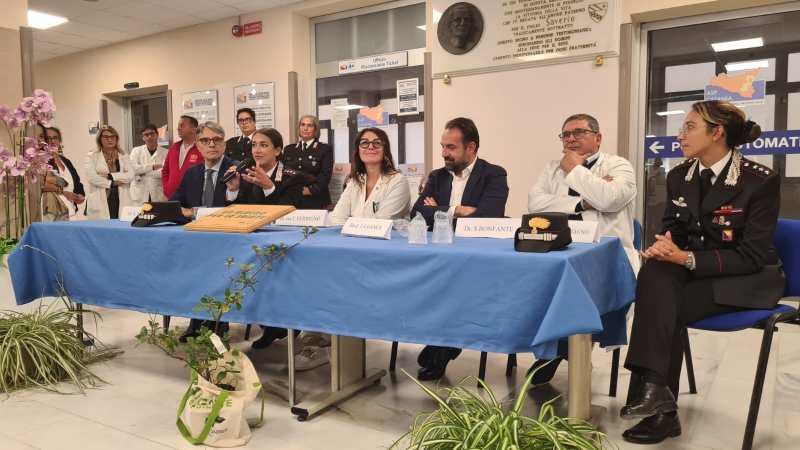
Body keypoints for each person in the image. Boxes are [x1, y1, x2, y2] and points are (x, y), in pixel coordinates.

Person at [621, 100, 784, 444]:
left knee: (666, 303)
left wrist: (685, 258)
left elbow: (751, 256)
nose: (680, 135)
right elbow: (674, 229)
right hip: (696, 270)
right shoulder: (680, 175)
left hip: (746, 278)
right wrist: (665, 245)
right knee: (654, 274)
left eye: (689, 127)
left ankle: (658, 405)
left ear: (717, 133)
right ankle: (657, 395)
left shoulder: (759, 181)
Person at [526, 113, 638, 383]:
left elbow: (609, 199)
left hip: (607, 259)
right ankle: (557, 349)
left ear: (598, 138)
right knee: (537, 289)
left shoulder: (619, 165)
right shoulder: (552, 168)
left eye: (579, 132)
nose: (571, 139)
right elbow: (536, 204)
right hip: (560, 253)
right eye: (565, 134)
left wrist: (576, 170)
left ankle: (565, 351)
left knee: (579, 293)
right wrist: (582, 203)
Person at [410, 117, 509, 381]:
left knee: (458, 285)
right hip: (440, 254)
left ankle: (444, 344)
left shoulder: (494, 174)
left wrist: (439, 210)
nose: (444, 153)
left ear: (471, 147)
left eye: (451, 147)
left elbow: (489, 216)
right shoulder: (437, 176)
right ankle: (443, 340)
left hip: (475, 255)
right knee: (422, 283)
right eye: (443, 146)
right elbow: (417, 213)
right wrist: (458, 210)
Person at [223, 127, 306, 350]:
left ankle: (279, 325)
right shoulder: (248, 174)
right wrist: (233, 190)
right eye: (254, 145)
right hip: (251, 243)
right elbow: (237, 212)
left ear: (277, 150)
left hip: (284, 245)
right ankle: (266, 324)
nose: (257, 150)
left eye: (264, 145)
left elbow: (290, 211)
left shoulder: (293, 176)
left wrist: (269, 187)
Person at [170, 121, 236, 342]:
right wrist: (186, 211)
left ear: (224, 144)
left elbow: (241, 207)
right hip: (196, 239)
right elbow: (175, 203)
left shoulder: (235, 170)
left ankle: (219, 324)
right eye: (205, 140)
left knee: (218, 280)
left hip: (227, 240)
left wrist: (194, 211)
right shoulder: (192, 173)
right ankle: (197, 323)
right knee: (193, 277)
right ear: (197, 145)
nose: (211, 145)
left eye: (216, 140)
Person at [330, 127, 411, 225]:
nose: (371, 147)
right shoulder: (354, 181)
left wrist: (350, 225)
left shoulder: (398, 181)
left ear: (385, 150)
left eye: (377, 143)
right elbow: (337, 217)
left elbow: (382, 222)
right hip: (351, 234)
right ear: (358, 150)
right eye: (364, 143)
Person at [282, 115, 334, 209]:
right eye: (302, 125)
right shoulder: (289, 149)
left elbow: (325, 175)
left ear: (316, 129)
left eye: (310, 125)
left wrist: (311, 190)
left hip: (315, 199)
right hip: (292, 199)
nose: (305, 128)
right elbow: (283, 171)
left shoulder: (324, 149)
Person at [85, 125, 133, 220]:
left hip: (120, 197)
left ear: (116, 138)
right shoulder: (92, 156)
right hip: (101, 197)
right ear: (100, 139)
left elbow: (130, 175)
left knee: (120, 225)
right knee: (102, 226)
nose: (110, 140)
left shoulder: (123, 155)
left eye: (112, 137)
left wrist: (109, 176)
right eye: (106, 137)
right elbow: (92, 177)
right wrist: (111, 183)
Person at [41, 126, 85, 221]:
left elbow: (77, 182)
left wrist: (80, 195)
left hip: (70, 211)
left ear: (59, 141)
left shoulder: (65, 161)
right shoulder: (39, 161)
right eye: (48, 138)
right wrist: (63, 193)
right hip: (51, 212)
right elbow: (40, 186)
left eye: (55, 138)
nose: (52, 141)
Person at [162, 115, 202, 199]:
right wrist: (166, 188)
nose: (178, 128)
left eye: (182, 125)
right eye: (178, 126)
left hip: (193, 198)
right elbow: (165, 170)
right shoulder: (174, 147)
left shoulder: (201, 148)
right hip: (172, 197)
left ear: (193, 129)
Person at [129, 124, 168, 205]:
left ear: (157, 135)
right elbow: (133, 169)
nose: (149, 137)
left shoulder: (166, 152)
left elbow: (163, 173)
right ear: (143, 137)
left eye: (152, 133)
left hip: (157, 192)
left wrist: (142, 173)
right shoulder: (136, 151)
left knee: (158, 212)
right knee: (140, 213)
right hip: (140, 193)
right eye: (146, 135)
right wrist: (153, 167)